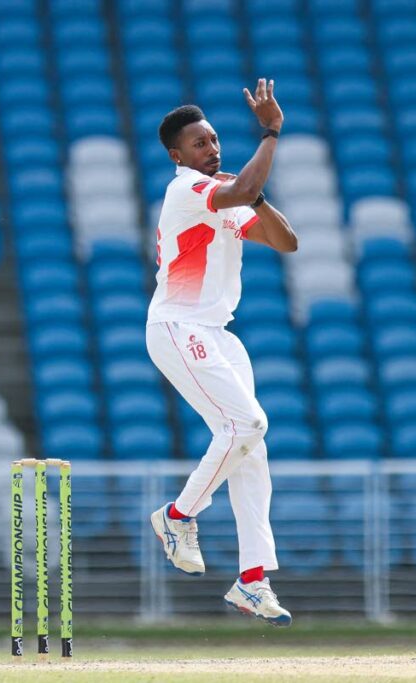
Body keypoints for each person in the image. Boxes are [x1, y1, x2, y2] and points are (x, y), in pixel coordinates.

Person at [146, 79, 299, 625]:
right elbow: (234, 195)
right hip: (177, 324)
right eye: (199, 144)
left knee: (250, 450)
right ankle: (177, 515)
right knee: (247, 427)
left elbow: (286, 242)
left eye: (213, 140)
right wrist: (272, 133)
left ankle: (252, 580)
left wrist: (255, 191)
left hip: (216, 332)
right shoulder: (185, 189)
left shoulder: (228, 191)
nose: (211, 150)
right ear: (177, 156)